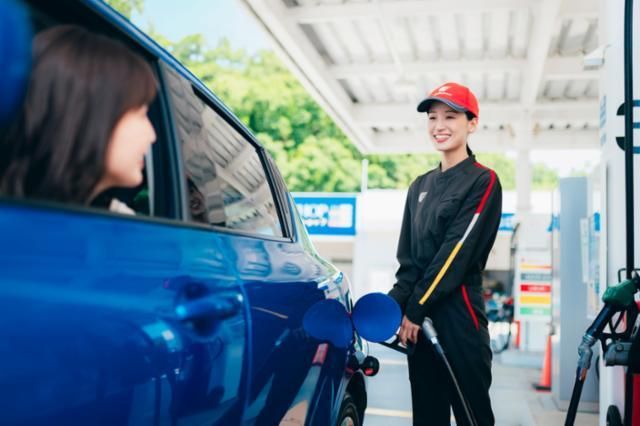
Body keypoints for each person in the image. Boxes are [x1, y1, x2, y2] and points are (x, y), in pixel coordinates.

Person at [388, 82, 502, 426]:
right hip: (417, 324)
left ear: (472, 123)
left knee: (472, 418)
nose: (439, 125)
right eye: (432, 117)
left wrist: (415, 308)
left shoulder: (483, 181)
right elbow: (409, 261)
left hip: (459, 319)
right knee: (427, 418)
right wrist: (390, 308)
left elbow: (455, 254)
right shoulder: (419, 186)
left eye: (450, 116)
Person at [0, 25, 157, 212]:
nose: (152, 135)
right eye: (141, 114)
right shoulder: (115, 226)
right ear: (94, 117)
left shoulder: (118, 219)